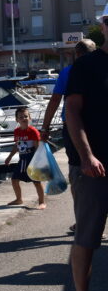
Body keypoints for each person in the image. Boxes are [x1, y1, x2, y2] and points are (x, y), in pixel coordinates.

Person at [64, 4, 108, 291]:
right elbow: (72, 111)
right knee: (88, 235)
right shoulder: (86, 66)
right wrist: (87, 156)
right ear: (104, 25)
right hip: (93, 165)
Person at [41, 39, 97, 232]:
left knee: (77, 173)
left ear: (76, 54)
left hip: (74, 129)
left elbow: (55, 100)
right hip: (100, 128)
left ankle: (83, 221)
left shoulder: (68, 72)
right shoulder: (101, 68)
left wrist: (45, 128)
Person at [3, 107, 46, 209]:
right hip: (22, 159)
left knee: (36, 182)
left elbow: (37, 147)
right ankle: (19, 199)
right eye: (21, 117)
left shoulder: (33, 131)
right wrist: (9, 157)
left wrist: (38, 161)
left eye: (26, 116)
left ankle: (42, 202)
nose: (24, 118)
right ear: (17, 120)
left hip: (32, 158)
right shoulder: (17, 131)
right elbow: (16, 146)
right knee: (14, 179)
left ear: (30, 118)